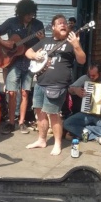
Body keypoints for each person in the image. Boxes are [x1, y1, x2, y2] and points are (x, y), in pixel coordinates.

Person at [25, 14, 86, 155]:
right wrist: (35, 56)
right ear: (53, 27)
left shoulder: (71, 43)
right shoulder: (45, 41)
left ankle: (57, 143)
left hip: (57, 85)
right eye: (59, 23)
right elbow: (28, 51)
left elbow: (82, 60)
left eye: (65, 23)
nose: (63, 24)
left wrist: (77, 45)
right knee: (39, 113)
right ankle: (41, 140)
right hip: (40, 83)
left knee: (53, 114)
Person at [0, 0, 44, 134]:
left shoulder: (38, 25)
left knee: (25, 92)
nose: (30, 17)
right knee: (11, 92)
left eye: (32, 14)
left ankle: (21, 122)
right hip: (12, 61)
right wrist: (3, 42)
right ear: (21, 13)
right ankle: (11, 121)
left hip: (29, 62)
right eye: (28, 14)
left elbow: (42, 45)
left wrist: (42, 39)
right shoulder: (11, 22)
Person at [63, 61, 101, 142]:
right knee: (67, 124)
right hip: (86, 114)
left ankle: (85, 130)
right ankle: (96, 137)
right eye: (89, 75)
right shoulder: (85, 78)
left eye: (93, 75)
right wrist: (75, 90)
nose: (91, 77)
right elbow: (69, 89)